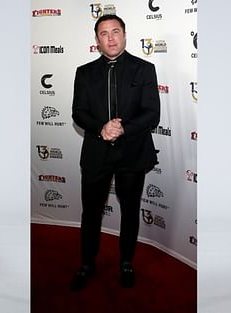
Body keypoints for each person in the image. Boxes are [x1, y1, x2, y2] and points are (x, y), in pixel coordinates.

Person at [70, 14, 160, 291]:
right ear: (97, 40)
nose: (110, 38)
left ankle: (126, 262)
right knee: (91, 212)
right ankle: (87, 263)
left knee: (131, 211)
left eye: (115, 31)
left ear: (124, 34)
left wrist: (123, 128)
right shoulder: (84, 72)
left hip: (132, 153)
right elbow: (79, 112)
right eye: (104, 33)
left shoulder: (144, 69)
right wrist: (101, 128)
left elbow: (152, 113)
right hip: (97, 153)